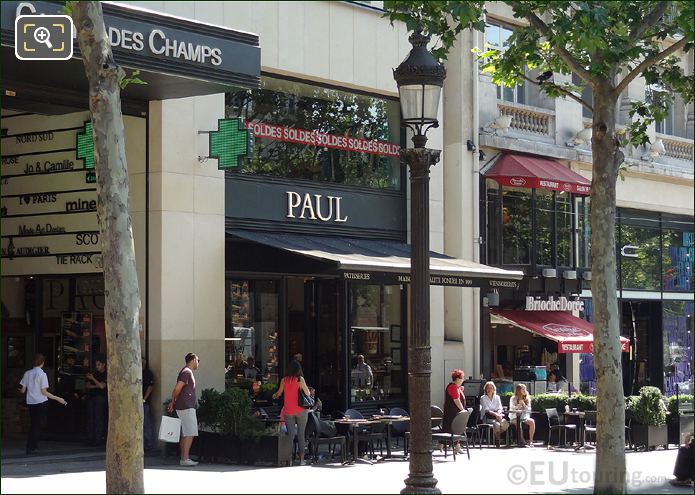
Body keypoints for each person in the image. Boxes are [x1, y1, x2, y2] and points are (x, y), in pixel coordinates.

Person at [18, 354, 67, 455]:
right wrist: (58, 399)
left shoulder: (27, 373)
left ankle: (32, 445)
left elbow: (22, 390)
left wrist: (20, 389)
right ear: (42, 363)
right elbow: (44, 392)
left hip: (31, 402)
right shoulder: (42, 374)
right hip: (41, 402)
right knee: (37, 425)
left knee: (33, 424)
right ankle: (31, 447)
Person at [272, 360, 311, 465]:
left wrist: (274, 395)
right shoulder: (300, 379)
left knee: (290, 435)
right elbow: (307, 393)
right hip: (301, 410)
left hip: (288, 411)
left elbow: (279, 393)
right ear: (298, 369)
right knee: (301, 435)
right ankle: (302, 459)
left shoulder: (284, 380)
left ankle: (289, 459)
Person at [167, 352, 200, 467]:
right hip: (186, 406)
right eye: (197, 360)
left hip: (185, 406)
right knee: (190, 432)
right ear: (193, 360)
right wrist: (173, 401)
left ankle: (184, 458)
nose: (198, 363)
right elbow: (177, 388)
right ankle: (185, 458)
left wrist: (173, 402)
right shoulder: (186, 372)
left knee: (187, 432)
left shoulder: (186, 372)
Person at [441, 369, 466, 454]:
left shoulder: (456, 387)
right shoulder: (453, 387)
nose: (463, 380)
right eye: (462, 378)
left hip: (455, 413)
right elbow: (456, 400)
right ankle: (441, 444)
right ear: (458, 379)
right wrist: (463, 410)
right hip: (452, 413)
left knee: (455, 430)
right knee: (451, 429)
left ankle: (456, 447)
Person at [85, 355, 108, 446]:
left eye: (99, 365)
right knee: (91, 418)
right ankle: (91, 438)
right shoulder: (94, 373)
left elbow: (102, 386)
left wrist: (93, 380)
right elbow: (87, 386)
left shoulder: (105, 374)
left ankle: (99, 439)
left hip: (101, 398)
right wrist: (96, 385)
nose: (97, 366)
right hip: (92, 397)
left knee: (99, 418)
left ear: (103, 365)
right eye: (96, 365)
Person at [480, 381, 509, 445]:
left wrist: (498, 413)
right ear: (485, 389)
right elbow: (486, 410)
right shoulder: (483, 398)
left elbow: (500, 407)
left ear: (493, 389)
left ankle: (494, 435)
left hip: (497, 415)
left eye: (491, 388)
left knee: (505, 424)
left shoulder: (497, 397)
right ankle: (497, 440)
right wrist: (496, 415)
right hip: (487, 416)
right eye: (488, 388)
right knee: (497, 425)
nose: (489, 390)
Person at [142, 356, 155, 452]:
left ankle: (149, 444)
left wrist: (144, 399)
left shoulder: (148, 373)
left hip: (144, 403)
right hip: (136, 402)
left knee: (146, 423)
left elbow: (150, 387)